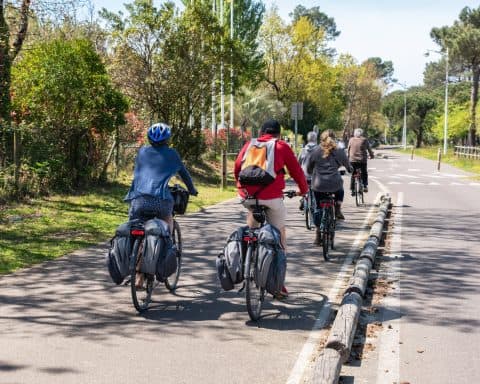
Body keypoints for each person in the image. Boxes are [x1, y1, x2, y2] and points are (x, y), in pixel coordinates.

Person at [234, 119, 308, 298]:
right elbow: (296, 171)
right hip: (272, 198)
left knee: (252, 220)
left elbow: (237, 168)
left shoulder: (249, 145)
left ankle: (247, 257)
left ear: (261, 132)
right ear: (278, 133)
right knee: (279, 233)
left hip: (247, 197)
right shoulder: (281, 146)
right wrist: (303, 190)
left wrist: (241, 187)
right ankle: (278, 284)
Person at [124, 122, 198, 232]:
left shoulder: (142, 151)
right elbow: (184, 174)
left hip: (138, 200)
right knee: (166, 225)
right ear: (167, 139)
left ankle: (132, 247)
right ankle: (169, 245)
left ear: (149, 138)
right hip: (161, 202)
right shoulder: (172, 154)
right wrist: (192, 190)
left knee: (133, 228)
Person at [307, 130, 352, 245]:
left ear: (321, 139)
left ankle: (318, 235)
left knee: (317, 208)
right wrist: (350, 169)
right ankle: (337, 207)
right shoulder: (339, 151)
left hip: (318, 184)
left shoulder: (315, 151)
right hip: (334, 184)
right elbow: (348, 165)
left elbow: (308, 167)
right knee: (340, 189)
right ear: (334, 138)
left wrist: (311, 172)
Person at [347, 128, 374, 193]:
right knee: (364, 172)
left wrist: (348, 157)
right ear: (362, 134)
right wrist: (371, 155)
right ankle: (365, 186)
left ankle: (352, 189)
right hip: (362, 160)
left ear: (354, 134)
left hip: (352, 160)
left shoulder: (351, 140)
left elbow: (348, 149)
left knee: (353, 174)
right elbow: (369, 149)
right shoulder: (364, 140)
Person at [297, 131, 318, 210]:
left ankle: (303, 199)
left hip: (305, 177)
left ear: (308, 140)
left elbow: (298, 163)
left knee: (304, 186)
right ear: (316, 139)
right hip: (316, 177)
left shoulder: (303, 150)